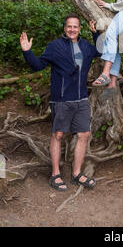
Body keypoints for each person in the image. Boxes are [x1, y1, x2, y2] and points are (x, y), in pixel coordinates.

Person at [20, 14, 101, 191]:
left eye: (75, 27)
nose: (72, 29)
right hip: (62, 99)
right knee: (57, 135)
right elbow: (38, 66)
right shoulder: (55, 46)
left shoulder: (86, 46)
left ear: (80, 29)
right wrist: (27, 51)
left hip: (81, 99)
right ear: (65, 28)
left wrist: (95, 34)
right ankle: (55, 174)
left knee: (83, 135)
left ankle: (77, 174)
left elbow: (101, 51)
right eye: (69, 26)